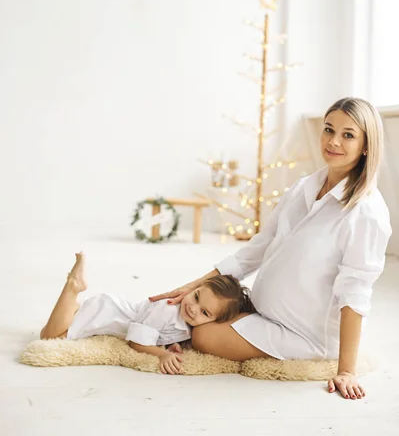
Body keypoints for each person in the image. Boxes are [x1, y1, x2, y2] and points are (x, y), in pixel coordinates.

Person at [150, 98, 392, 398]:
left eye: (348, 135)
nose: (333, 141)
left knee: (203, 333)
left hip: (305, 335)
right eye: (329, 129)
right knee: (182, 310)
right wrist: (194, 284)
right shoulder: (302, 187)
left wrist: (345, 370)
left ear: (367, 145)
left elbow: (356, 292)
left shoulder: (365, 212)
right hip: (262, 312)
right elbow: (257, 249)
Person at [39, 253, 256, 375]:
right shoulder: (168, 310)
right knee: (50, 336)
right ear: (194, 288)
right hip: (105, 313)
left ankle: (74, 304)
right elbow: (135, 342)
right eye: (196, 296)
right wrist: (161, 355)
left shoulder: (188, 323)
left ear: (214, 320)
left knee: (68, 320)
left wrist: (169, 345)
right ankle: (73, 286)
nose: (192, 307)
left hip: (110, 308)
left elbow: (162, 334)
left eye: (204, 312)